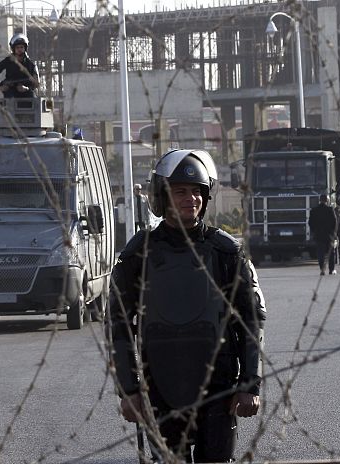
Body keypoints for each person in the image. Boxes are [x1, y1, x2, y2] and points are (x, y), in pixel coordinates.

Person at [109, 149, 266, 462]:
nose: (190, 199)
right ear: (162, 196)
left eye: (197, 192)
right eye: (180, 192)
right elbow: (119, 325)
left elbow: (251, 319)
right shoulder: (138, 255)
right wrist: (129, 389)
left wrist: (250, 383)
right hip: (159, 389)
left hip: (217, 388)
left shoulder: (226, 253)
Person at [0, 33, 39, 98]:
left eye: (21, 47)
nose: (19, 49)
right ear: (13, 49)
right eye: (17, 47)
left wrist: (26, 88)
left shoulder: (31, 64)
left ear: (25, 48)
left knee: (33, 97)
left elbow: (36, 83)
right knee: (10, 98)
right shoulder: (8, 61)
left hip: (25, 91)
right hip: (10, 90)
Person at [308, 194, 338, 275]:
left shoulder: (314, 210)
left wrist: (314, 231)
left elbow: (310, 223)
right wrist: (334, 233)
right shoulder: (330, 210)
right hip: (329, 235)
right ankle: (331, 270)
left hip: (318, 235)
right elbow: (334, 222)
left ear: (319, 200)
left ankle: (322, 269)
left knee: (320, 253)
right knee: (331, 253)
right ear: (327, 200)